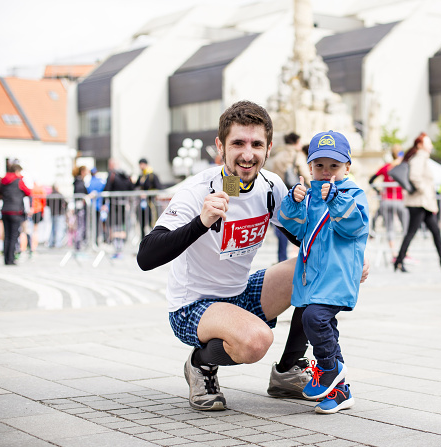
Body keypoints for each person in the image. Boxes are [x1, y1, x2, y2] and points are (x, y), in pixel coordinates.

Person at [136, 100, 369, 411]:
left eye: (256, 144)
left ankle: (288, 371)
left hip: (242, 293)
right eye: (238, 143)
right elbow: (146, 256)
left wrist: (352, 260)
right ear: (221, 146)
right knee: (256, 340)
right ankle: (200, 365)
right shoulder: (198, 191)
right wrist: (200, 223)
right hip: (194, 306)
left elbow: (305, 237)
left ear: (268, 147)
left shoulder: (269, 186)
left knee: (310, 269)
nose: (248, 154)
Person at [279, 130, 368, 414]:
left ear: (347, 168)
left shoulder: (353, 194)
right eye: (319, 166)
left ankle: (329, 369)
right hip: (312, 277)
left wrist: (335, 199)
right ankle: (340, 392)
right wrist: (293, 201)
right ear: (310, 167)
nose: (326, 172)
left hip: (337, 277)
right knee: (320, 324)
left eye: (334, 166)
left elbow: (354, 225)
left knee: (314, 318)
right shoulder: (309, 197)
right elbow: (292, 227)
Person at [393, 133, 441, 272]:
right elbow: (415, 177)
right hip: (419, 202)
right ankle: (399, 261)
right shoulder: (419, 157)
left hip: (423, 202)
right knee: (412, 232)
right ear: (420, 145)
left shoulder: (421, 157)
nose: (431, 146)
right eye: (428, 143)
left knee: (435, 232)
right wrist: (425, 191)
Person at [266, 132, 304, 263]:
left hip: (279, 193)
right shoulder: (295, 155)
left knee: (280, 225)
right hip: (294, 194)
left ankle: (281, 257)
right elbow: (304, 171)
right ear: (295, 142)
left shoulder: (278, 156)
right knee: (294, 226)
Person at [368, 145, 409, 254]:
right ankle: (405, 252)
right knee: (405, 226)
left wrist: (378, 191)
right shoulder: (403, 167)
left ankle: (394, 253)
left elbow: (371, 180)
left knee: (390, 227)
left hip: (386, 200)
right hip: (399, 200)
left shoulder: (386, 167)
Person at [1, 163, 31, 265]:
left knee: (7, 236)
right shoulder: (19, 181)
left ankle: (6, 258)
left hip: (5, 210)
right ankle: (11, 259)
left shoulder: (3, 181)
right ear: (17, 171)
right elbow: (28, 192)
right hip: (15, 211)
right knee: (13, 236)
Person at [103, 159, 134, 258]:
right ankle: (120, 249)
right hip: (124, 205)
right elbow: (132, 188)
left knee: (115, 227)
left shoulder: (112, 175)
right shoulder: (126, 175)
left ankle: (117, 249)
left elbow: (106, 190)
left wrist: (104, 204)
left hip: (114, 205)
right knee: (122, 227)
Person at [135, 158, 162, 239]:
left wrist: (148, 194)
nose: (141, 166)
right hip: (142, 203)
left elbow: (158, 187)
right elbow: (135, 186)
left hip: (151, 202)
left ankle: (153, 237)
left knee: (152, 220)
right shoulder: (141, 176)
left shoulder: (152, 175)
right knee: (142, 220)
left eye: (142, 164)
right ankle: (143, 238)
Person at [87, 168, 107, 244]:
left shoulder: (89, 182)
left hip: (92, 206)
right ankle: (99, 239)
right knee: (101, 223)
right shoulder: (101, 181)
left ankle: (94, 240)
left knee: (93, 224)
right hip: (100, 206)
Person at [73, 166, 89, 251]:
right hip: (80, 208)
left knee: (81, 226)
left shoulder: (79, 181)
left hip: (80, 208)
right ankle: (78, 246)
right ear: (82, 171)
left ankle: (79, 245)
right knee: (80, 226)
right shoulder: (79, 182)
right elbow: (80, 195)